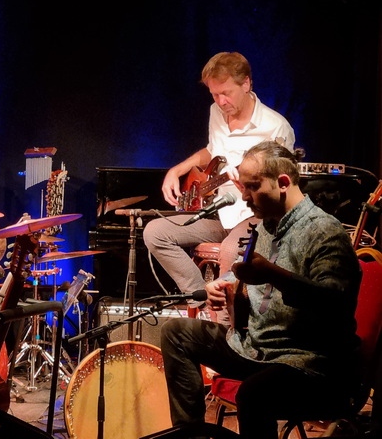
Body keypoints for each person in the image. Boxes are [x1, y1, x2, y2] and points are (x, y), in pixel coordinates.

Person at [160, 141, 362, 439]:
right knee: (176, 333)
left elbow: (335, 303)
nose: (243, 196)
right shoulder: (267, 225)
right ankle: (191, 436)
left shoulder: (324, 232)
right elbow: (246, 271)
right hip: (257, 348)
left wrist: (273, 274)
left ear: (283, 183)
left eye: (252, 187)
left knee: (254, 393)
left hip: (305, 361)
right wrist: (224, 282)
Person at [143, 52, 296, 308]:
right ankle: (204, 301)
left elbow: (283, 188)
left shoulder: (276, 127)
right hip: (220, 213)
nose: (221, 101)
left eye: (226, 93)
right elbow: (213, 151)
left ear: (246, 84)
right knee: (155, 232)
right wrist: (177, 170)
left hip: (255, 217)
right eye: (214, 94)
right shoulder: (216, 112)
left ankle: (227, 325)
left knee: (230, 250)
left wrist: (251, 182)